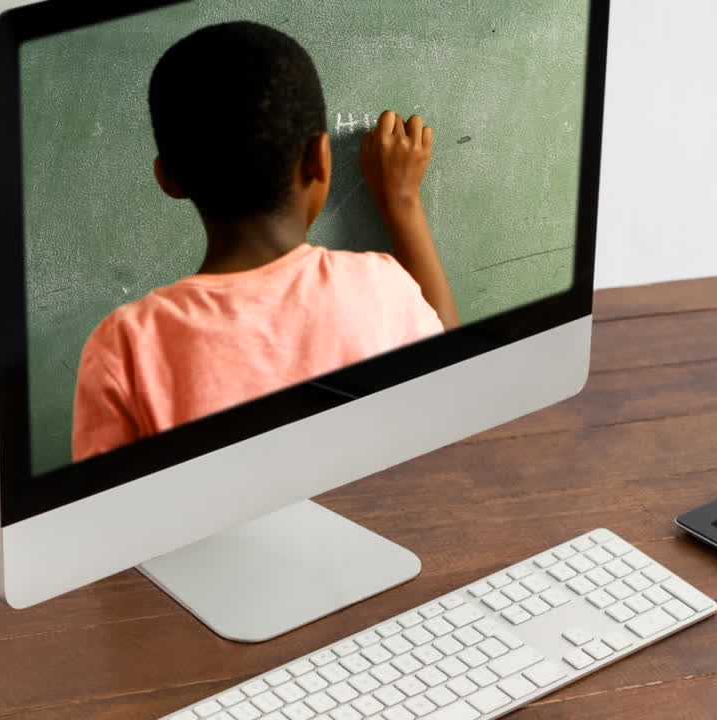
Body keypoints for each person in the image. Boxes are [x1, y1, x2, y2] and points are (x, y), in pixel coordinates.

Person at [71, 21, 458, 462]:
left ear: (168, 179)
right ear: (320, 158)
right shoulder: (379, 286)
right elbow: (454, 374)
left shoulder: (125, 347)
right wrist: (402, 201)